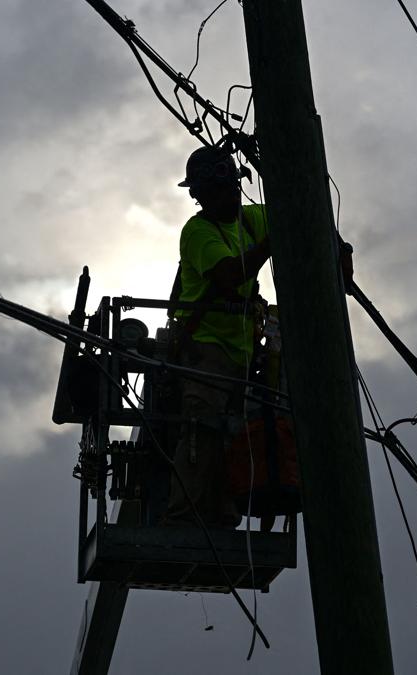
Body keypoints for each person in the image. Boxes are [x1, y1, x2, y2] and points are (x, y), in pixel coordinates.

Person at [164, 145, 271, 528]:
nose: (214, 198)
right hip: (203, 348)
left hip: (242, 352)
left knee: (237, 436)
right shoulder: (197, 232)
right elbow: (228, 275)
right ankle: (184, 516)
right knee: (201, 430)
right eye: (205, 194)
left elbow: (300, 216)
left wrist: (341, 247)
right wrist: (268, 247)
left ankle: (225, 515)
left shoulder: (251, 221)